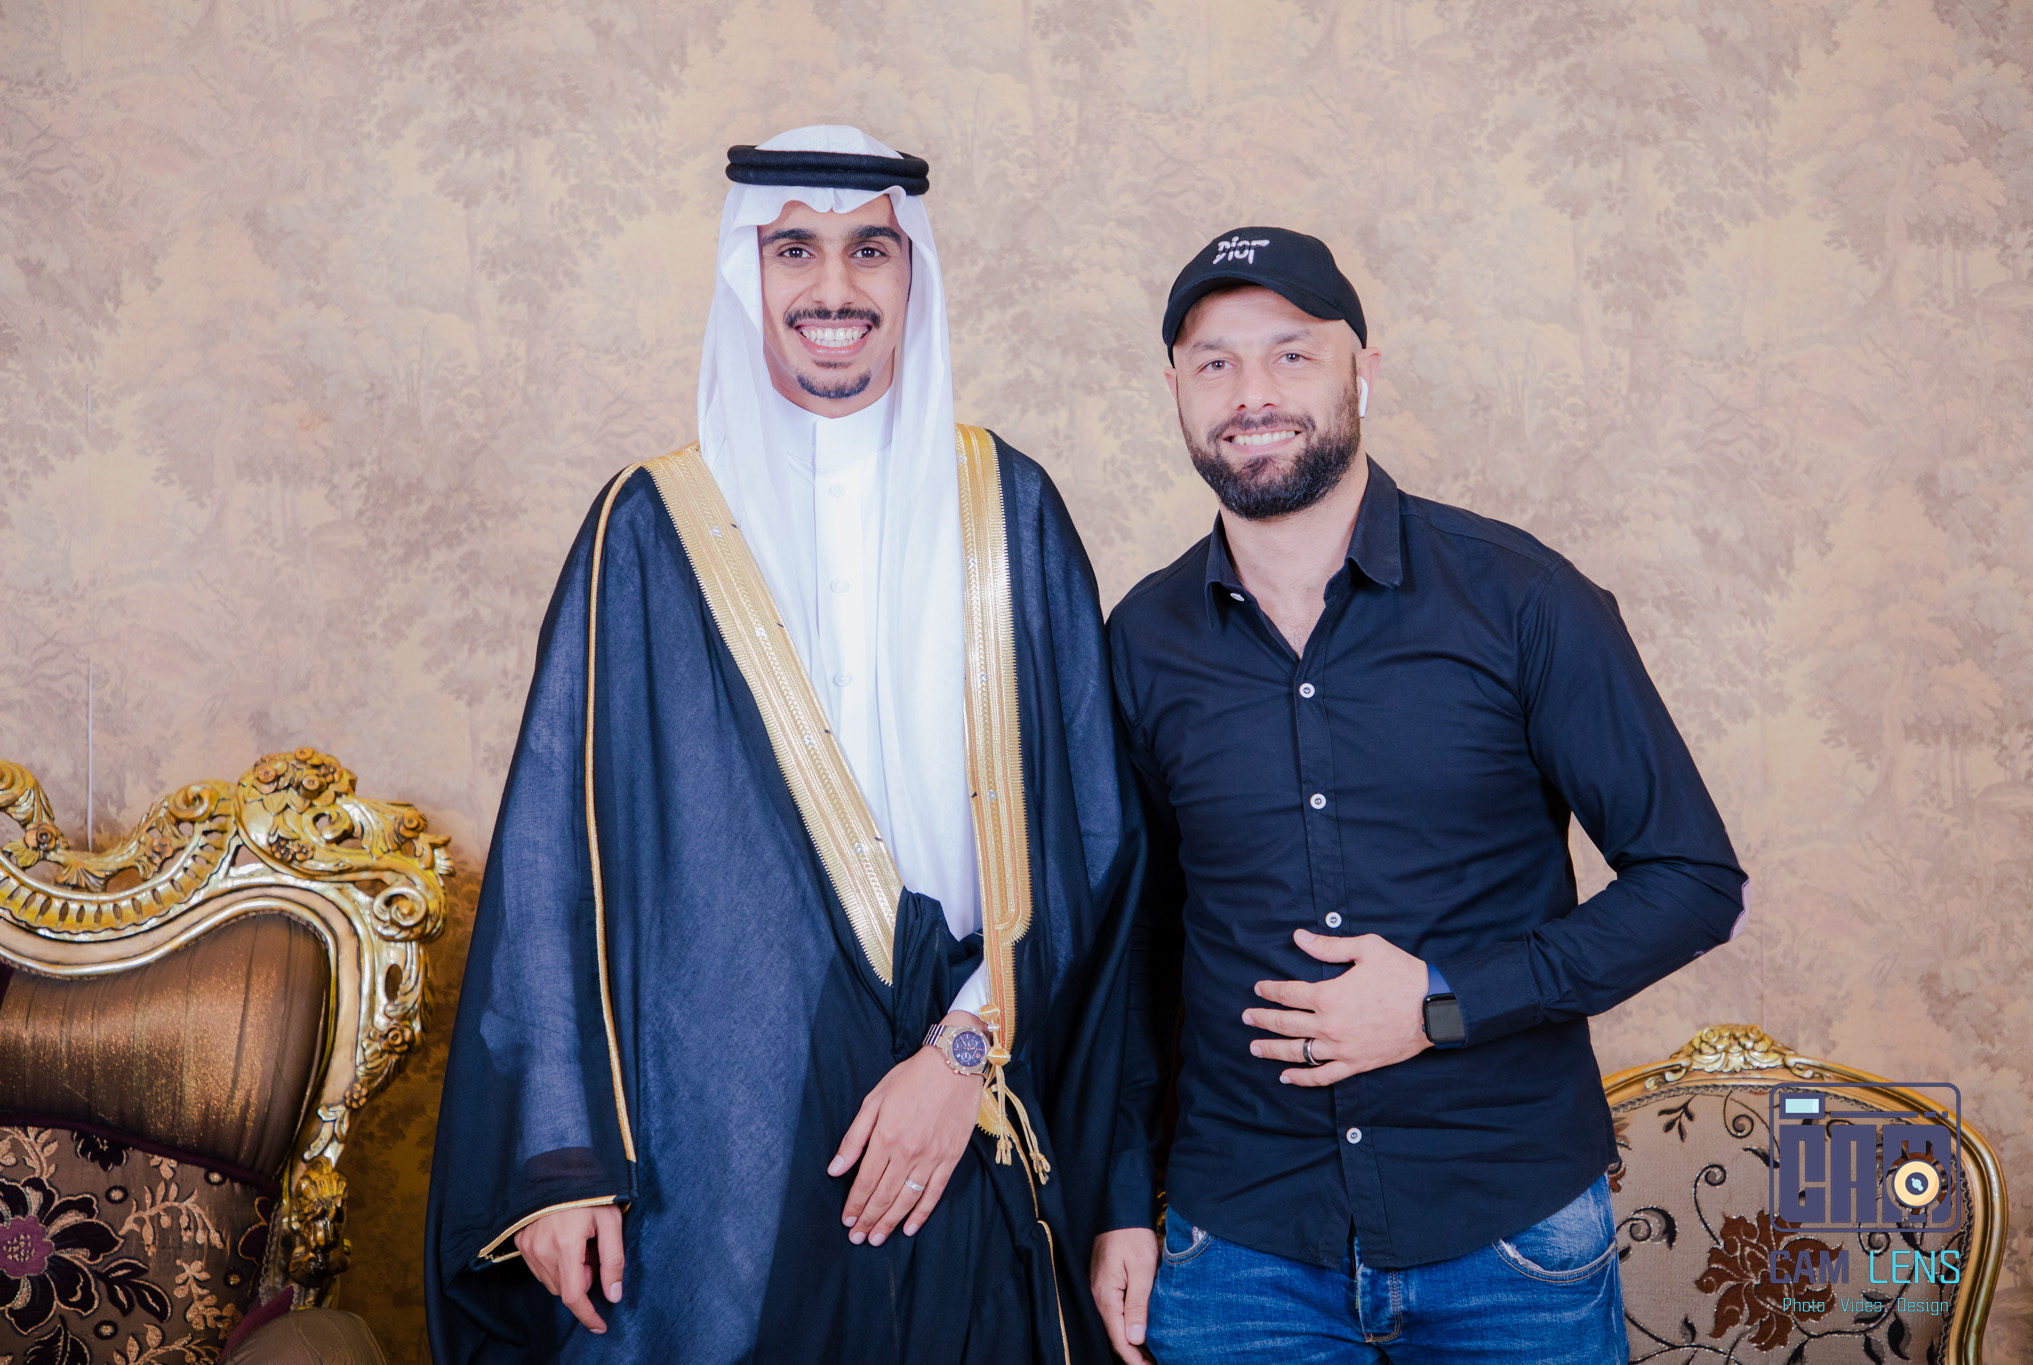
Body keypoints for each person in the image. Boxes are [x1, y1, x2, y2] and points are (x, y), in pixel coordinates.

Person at [425, 126, 1139, 1365]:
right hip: (709, 1136)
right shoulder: (645, 529)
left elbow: (1092, 836)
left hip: (958, 1106)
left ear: (912, 276)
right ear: (743, 275)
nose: (833, 286)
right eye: (793, 249)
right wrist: (560, 1159)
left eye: (871, 249)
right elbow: (553, 863)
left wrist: (962, 1049)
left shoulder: (1008, 511)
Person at [1089, 227, 1749, 1364]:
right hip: (1238, 1248)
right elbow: (1137, 945)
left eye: (1292, 354)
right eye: (1215, 362)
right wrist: (1118, 1198)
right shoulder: (1141, 641)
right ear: (1176, 391)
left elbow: (1692, 881)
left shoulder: (1524, 600)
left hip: (1509, 1236)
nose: (1251, 394)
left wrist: (1444, 1002)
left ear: (1364, 371)